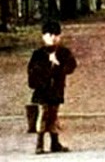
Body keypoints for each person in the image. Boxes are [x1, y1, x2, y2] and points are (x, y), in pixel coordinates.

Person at [27, 20, 77, 155]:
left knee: (53, 115)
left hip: (56, 89)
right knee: (43, 113)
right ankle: (39, 143)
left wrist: (59, 65)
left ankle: (55, 142)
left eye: (56, 35)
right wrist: (45, 71)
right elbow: (32, 71)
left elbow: (71, 66)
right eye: (49, 35)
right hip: (42, 89)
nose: (53, 38)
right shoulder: (38, 54)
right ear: (43, 36)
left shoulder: (63, 52)